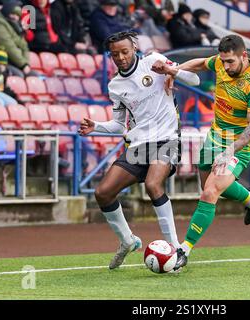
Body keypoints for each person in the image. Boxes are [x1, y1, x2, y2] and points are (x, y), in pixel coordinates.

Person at [78, 31, 200, 270]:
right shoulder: (115, 86)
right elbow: (117, 124)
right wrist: (96, 127)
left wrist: (170, 71)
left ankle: (176, 249)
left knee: (153, 185)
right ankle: (127, 240)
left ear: (134, 47)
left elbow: (194, 80)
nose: (121, 57)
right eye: (115, 54)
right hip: (138, 145)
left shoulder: (152, 61)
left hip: (166, 139)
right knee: (103, 192)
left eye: (125, 51)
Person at [153, 35, 250, 271]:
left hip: (238, 144)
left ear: (243, 56)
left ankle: (183, 250)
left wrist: (229, 151)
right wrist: (172, 70)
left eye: (230, 62)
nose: (225, 67)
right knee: (210, 185)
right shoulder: (221, 61)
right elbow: (200, 63)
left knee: (210, 193)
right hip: (215, 136)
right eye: (223, 61)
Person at [0, 1, 36, 77]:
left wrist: (26, 63)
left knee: (35, 75)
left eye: (17, 15)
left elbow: (24, 46)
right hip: (0, 60)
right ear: (6, 12)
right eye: (12, 13)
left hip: (14, 61)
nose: (14, 17)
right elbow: (8, 46)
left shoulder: (15, 26)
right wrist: (23, 65)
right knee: (19, 76)